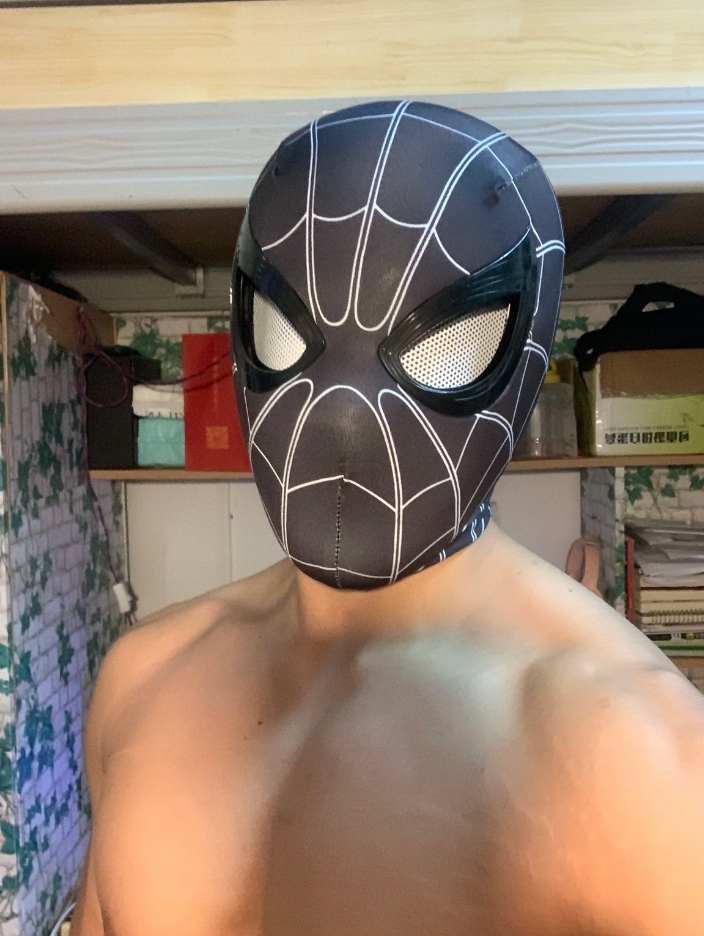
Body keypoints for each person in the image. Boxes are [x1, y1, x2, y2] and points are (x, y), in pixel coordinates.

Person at [72, 102, 704, 936]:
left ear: (524, 358)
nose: (345, 410)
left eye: (444, 345)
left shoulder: (640, 766)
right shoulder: (142, 679)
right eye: (287, 330)